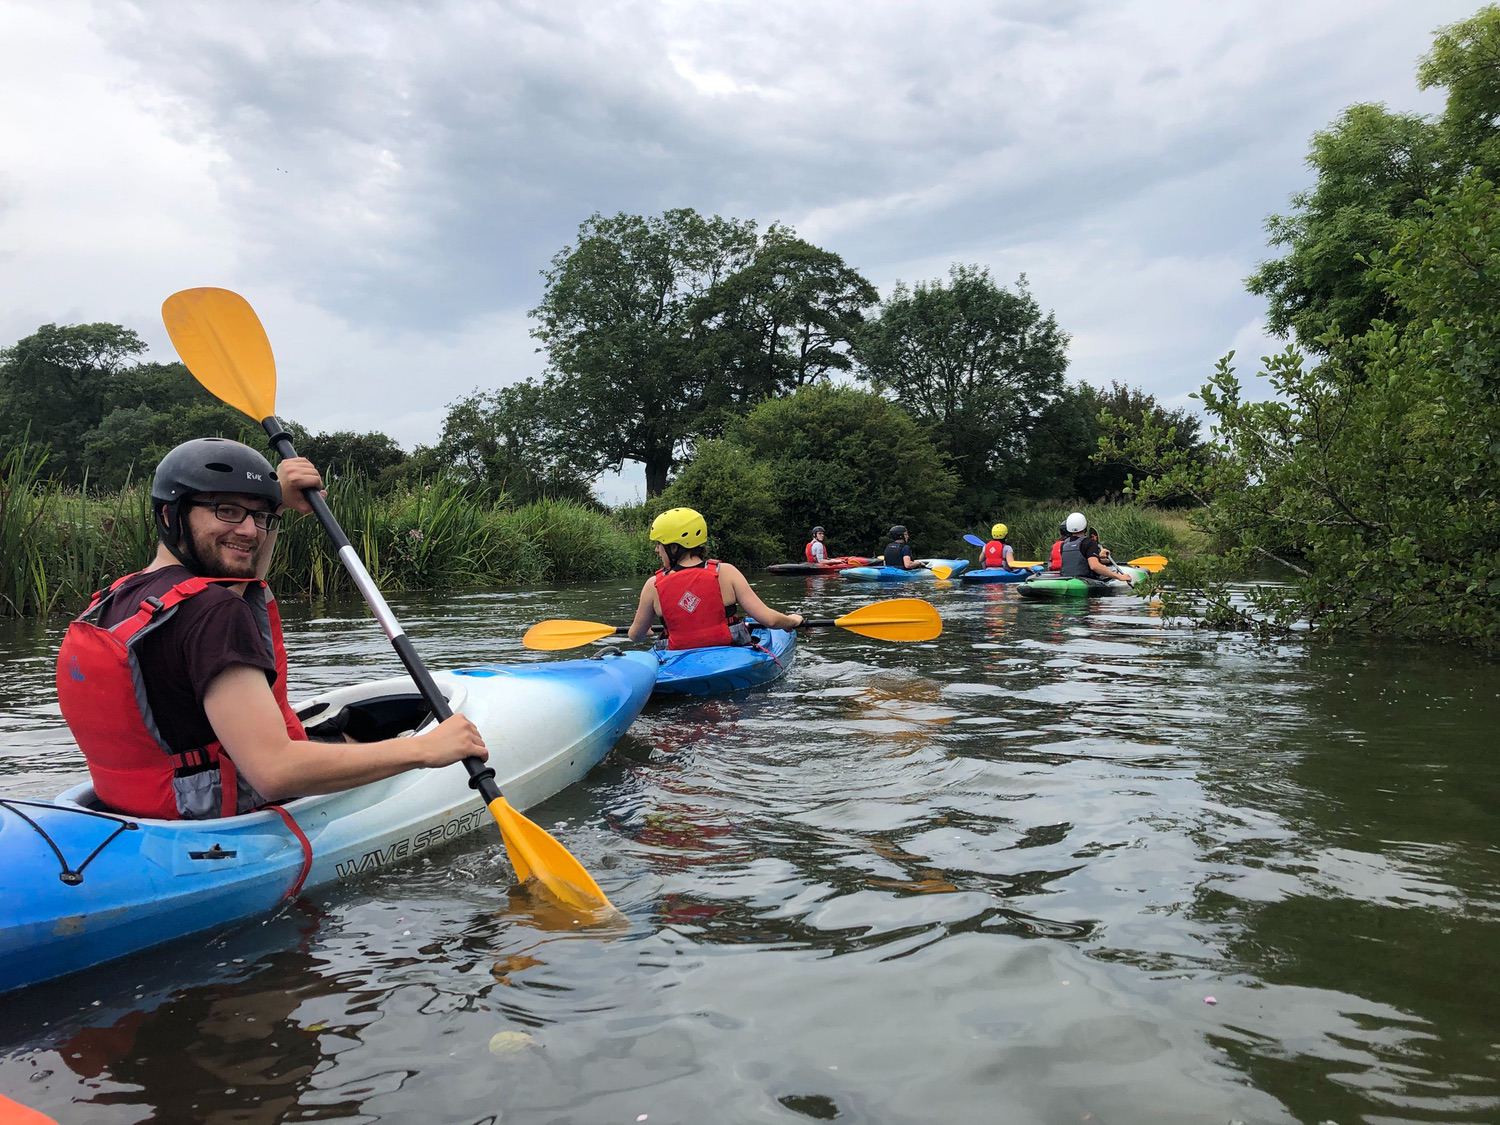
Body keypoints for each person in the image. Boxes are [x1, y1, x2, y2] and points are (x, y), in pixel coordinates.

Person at [55, 438, 487, 820]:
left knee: (346, 730)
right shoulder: (214, 613)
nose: (249, 531)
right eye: (227, 511)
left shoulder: (121, 597)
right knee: (398, 736)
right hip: (210, 816)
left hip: (138, 807)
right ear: (171, 515)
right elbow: (274, 773)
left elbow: (237, 583)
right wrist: (422, 750)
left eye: (259, 517)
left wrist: (276, 500)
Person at [629, 507, 805, 649]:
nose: (656, 550)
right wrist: (792, 621)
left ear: (674, 547)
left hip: (677, 658)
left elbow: (635, 636)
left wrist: (646, 631)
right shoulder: (726, 572)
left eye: (659, 544)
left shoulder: (653, 585)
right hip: (730, 651)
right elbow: (770, 620)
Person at [1058, 511, 1135, 585]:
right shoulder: (1089, 543)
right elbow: (1094, 566)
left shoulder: (1064, 544)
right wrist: (1119, 577)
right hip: (1085, 581)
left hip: (1066, 579)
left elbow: (1077, 560)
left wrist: (1098, 557)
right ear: (1085, 526)